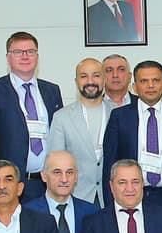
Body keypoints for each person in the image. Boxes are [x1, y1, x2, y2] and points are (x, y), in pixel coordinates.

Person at [102, 59, 162, 208]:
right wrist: (110, 204)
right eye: (144, 81)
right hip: (132, 195)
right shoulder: (120, 117)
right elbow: (110, 163)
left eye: (156, 80)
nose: (150, 85)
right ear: (134, 87)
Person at [0, 31, 65, 200]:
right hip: (10, 184)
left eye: (30, 52)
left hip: (48, 183)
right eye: (18, 52)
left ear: (37, 57)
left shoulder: (52, 90)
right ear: (8, 58)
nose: (25, 56)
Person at [47, 57, 113, 205]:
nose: (90, 81)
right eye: (84, 76)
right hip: (75, 198)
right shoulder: (61, 117)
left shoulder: (118, 114)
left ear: (104, 79)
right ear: (76, 81)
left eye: (96, 75)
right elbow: (54, 162)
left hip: (112, 197)